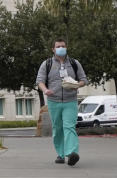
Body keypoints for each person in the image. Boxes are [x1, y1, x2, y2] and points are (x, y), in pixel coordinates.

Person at [36, 38, 87, 166]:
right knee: (58, 129)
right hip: (54, 101)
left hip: (70, 101)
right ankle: (60, 153)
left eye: (63, 46)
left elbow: (84, 80)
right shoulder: (47, 64)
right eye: (58, 46)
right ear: (53, 49)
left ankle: (71, 154)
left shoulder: (74, 63)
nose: (61, 48)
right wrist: (45, 90)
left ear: (66, 47)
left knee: (69, 127)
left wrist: (76, 85)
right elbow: (40, 81)